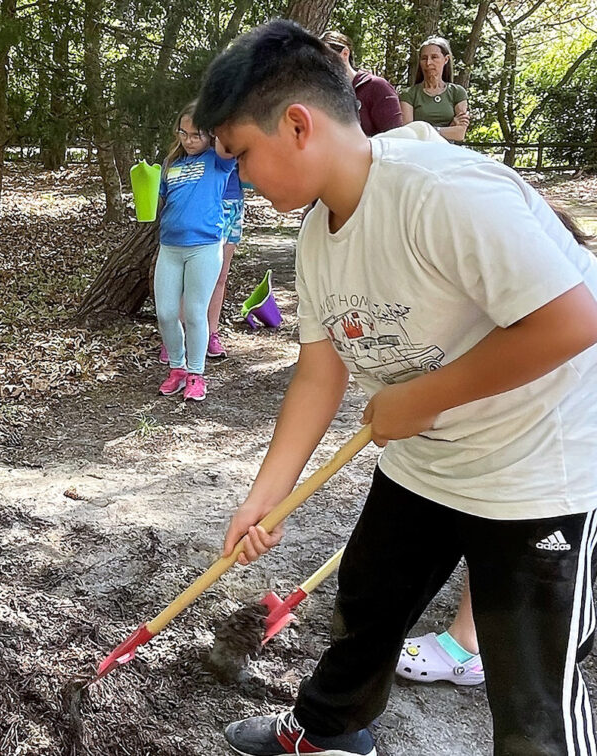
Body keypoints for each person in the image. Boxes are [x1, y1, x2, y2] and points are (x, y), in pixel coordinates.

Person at [196, 20, 597, 756]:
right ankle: (331, 734)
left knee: (533, 693)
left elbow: (573, 321)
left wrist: (423, 398)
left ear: (296, 125)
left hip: (537, 464)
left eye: (241, 155)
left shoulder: (441, 191)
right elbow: (321, 370)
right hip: (427, 459)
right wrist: (267, 492)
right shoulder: (319, 234)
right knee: (368, 604)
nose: (241, 178)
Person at [154, 104, 236, 400]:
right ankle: (177, 368)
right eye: (184, 133)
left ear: (210, 134)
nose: (190, 140)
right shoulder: (170, 163)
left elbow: (230, 140)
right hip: (170, 246)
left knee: (194, 311)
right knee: (165, 312)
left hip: (204, 245)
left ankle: (196, 374)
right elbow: (158, 200)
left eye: (197, 134)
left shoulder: (218, 160)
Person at [320, 30, 403, 137]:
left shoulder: (377, 87)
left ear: (345, 53)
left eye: (325, 58)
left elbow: (395, 139)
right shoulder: (322, 93)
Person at [206, 167, 246, 359]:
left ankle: (212, 334)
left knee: (221, 276)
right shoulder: (205, 139)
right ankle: (179, 337)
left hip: (236, 201)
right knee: (194, 276)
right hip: (211, 201)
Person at [400, 36, 470, 142]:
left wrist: (424, 131)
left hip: (448, 151)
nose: (428, 63)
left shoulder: (457, 92)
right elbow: (409, 134)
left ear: (445, 59)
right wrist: (449, 127)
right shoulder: (408, 94)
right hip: (419, 152)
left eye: (434, 57)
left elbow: (459, 134)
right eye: (424, 58)